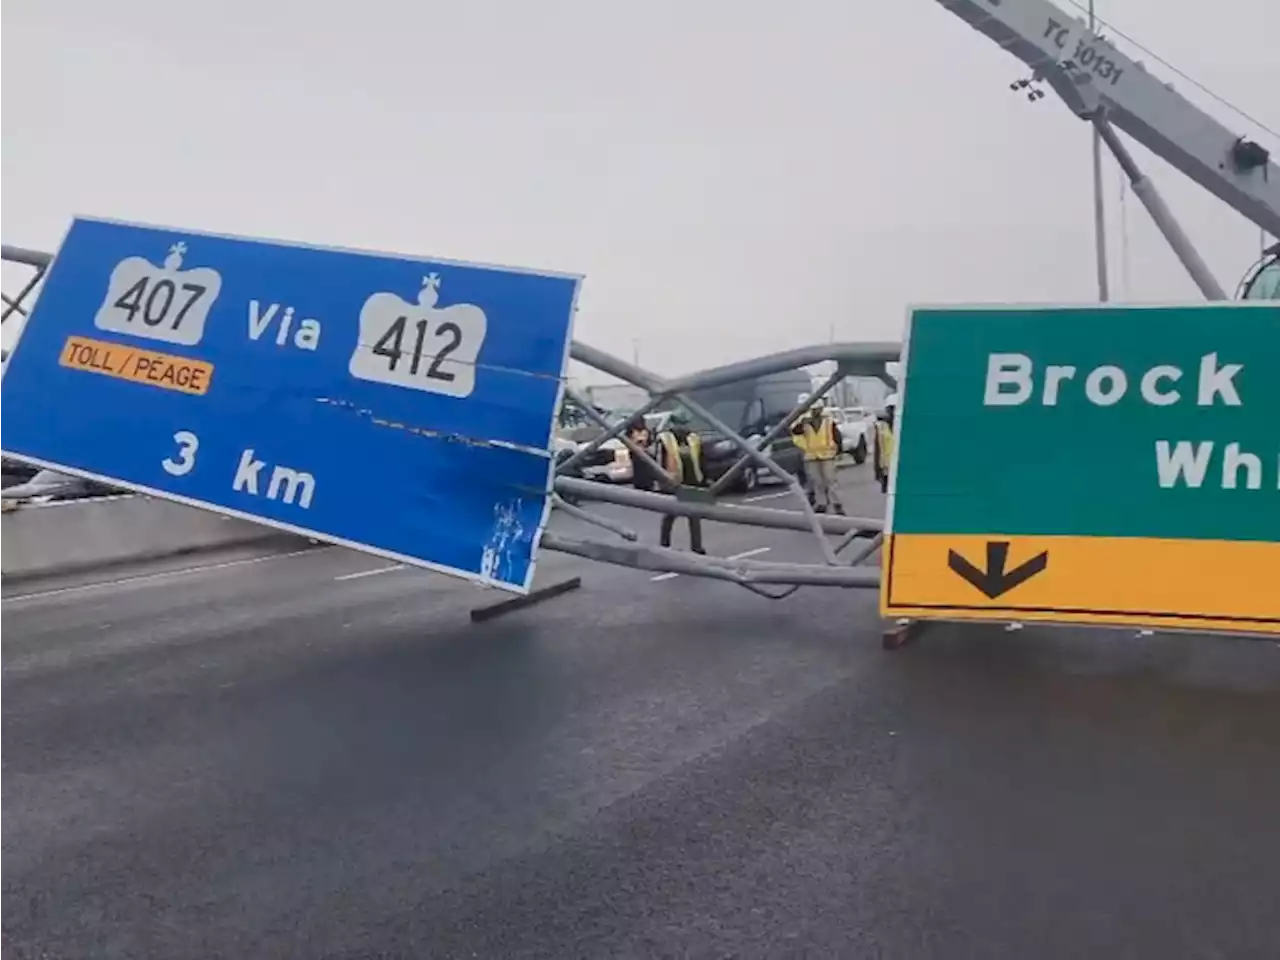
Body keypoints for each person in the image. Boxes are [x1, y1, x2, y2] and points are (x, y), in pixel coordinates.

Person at [655, 411, 707, 554]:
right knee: (670, 515)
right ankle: (664, 546)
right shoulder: (665, 439)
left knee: (694, 515)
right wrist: (663, 482)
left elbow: (701, 459)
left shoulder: (693, 438)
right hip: (673, 483)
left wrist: (703, 479)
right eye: (682, 425)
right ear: (674, 425)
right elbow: (659, 461)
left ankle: (697, 547)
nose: (686, 428)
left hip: (692, 482)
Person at [792, 403, 845, 515]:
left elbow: (837, 435)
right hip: (812, 456)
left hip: (827, 455)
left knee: (831, 481)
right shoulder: (805, 422)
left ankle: (837, 504)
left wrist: (839, 450)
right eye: (813, 410)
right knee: (818, 481)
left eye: (817, 409)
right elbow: (795, 431)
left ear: (821, 409)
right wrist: (801, 422)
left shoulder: (828, 421)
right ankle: (822, 504)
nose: (815, 411)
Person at [873, 394, 897, 495]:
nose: (892, 412)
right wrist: (877, 470)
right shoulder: (881, 427)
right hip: (887, 468)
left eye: (894, 408)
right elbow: (877, 450)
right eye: (890, 409)